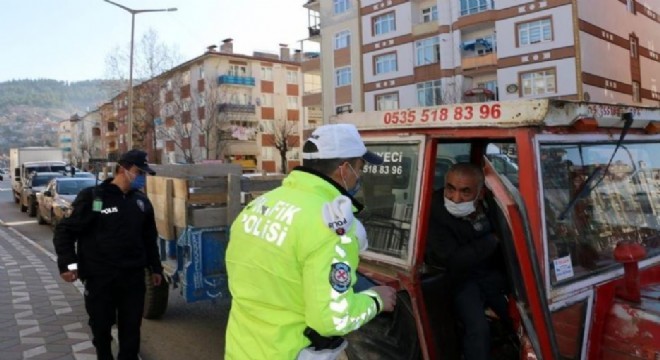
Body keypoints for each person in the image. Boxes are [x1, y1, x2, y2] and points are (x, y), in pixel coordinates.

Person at [225, 124, 398, 360]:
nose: (361, 174)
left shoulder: (259, 206)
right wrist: (376, 300)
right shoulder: (332, 227)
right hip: (292, 352)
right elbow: (333, 319)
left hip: (243, 349)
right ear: (344, 169)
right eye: (361, 166)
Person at [53, 149, 163, 360]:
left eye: (145, 174)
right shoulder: (94, 198)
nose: (142, 178)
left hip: (132, 277)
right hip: (100, 278)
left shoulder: (141, 202)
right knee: (101, 327)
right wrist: (69, 265)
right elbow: (65, 231)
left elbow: (149, 239)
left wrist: (155, 268)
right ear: (122, 169)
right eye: (138, 171)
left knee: (131, 329)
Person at [425, 163, 511, 360]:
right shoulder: (433, 210)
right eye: (450, 188)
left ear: (480, 193)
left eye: (465, 192)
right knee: (478, 329)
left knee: (519, 314)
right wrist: (492, 240)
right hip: (457, 279)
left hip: (486, 272)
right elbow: (452, 259)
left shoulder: (490, 203)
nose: (455, 198)